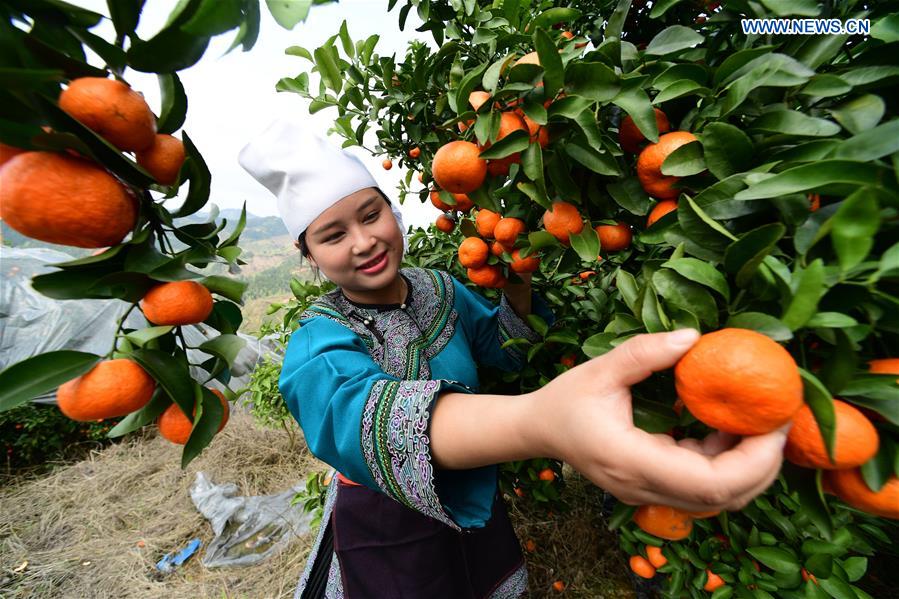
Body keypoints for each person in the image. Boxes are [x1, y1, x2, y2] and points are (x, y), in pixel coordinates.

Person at [239, 120, 788, 599]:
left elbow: (503, 350)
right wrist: (546, 423)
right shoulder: (320, 339)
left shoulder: (438, 288)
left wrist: (517, 287)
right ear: (307, 254)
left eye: (370, 214)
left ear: (390, 209)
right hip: (387, 520)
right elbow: (358, 415)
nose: (363, 242)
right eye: (333, 236)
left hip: (475, 495)